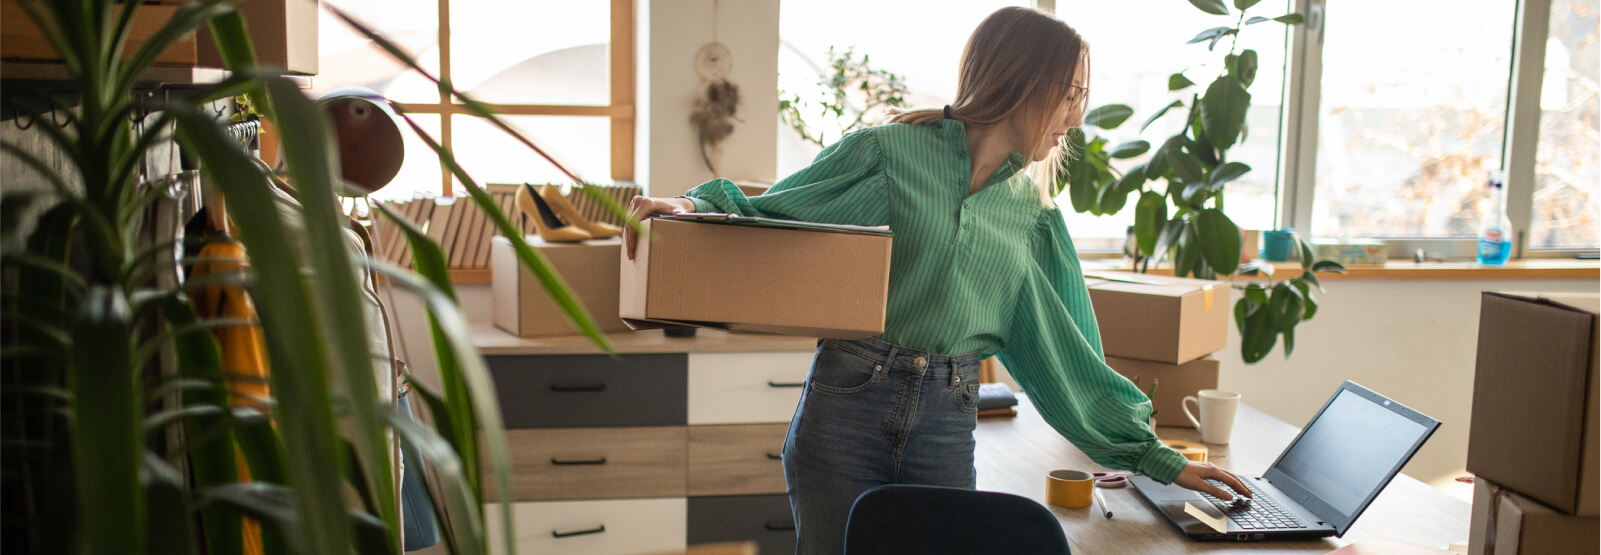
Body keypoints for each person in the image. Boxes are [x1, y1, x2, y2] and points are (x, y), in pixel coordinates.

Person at [625, 7, 1250, 554]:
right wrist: (692, 207)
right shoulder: (888, 152)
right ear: (1024, 80)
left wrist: (1156, 458)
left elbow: (1066, 356)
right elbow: (781, 212)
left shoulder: (1031, 216)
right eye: (1070, 95)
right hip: (845, 407)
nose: (1075, 117)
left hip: (947, 422)